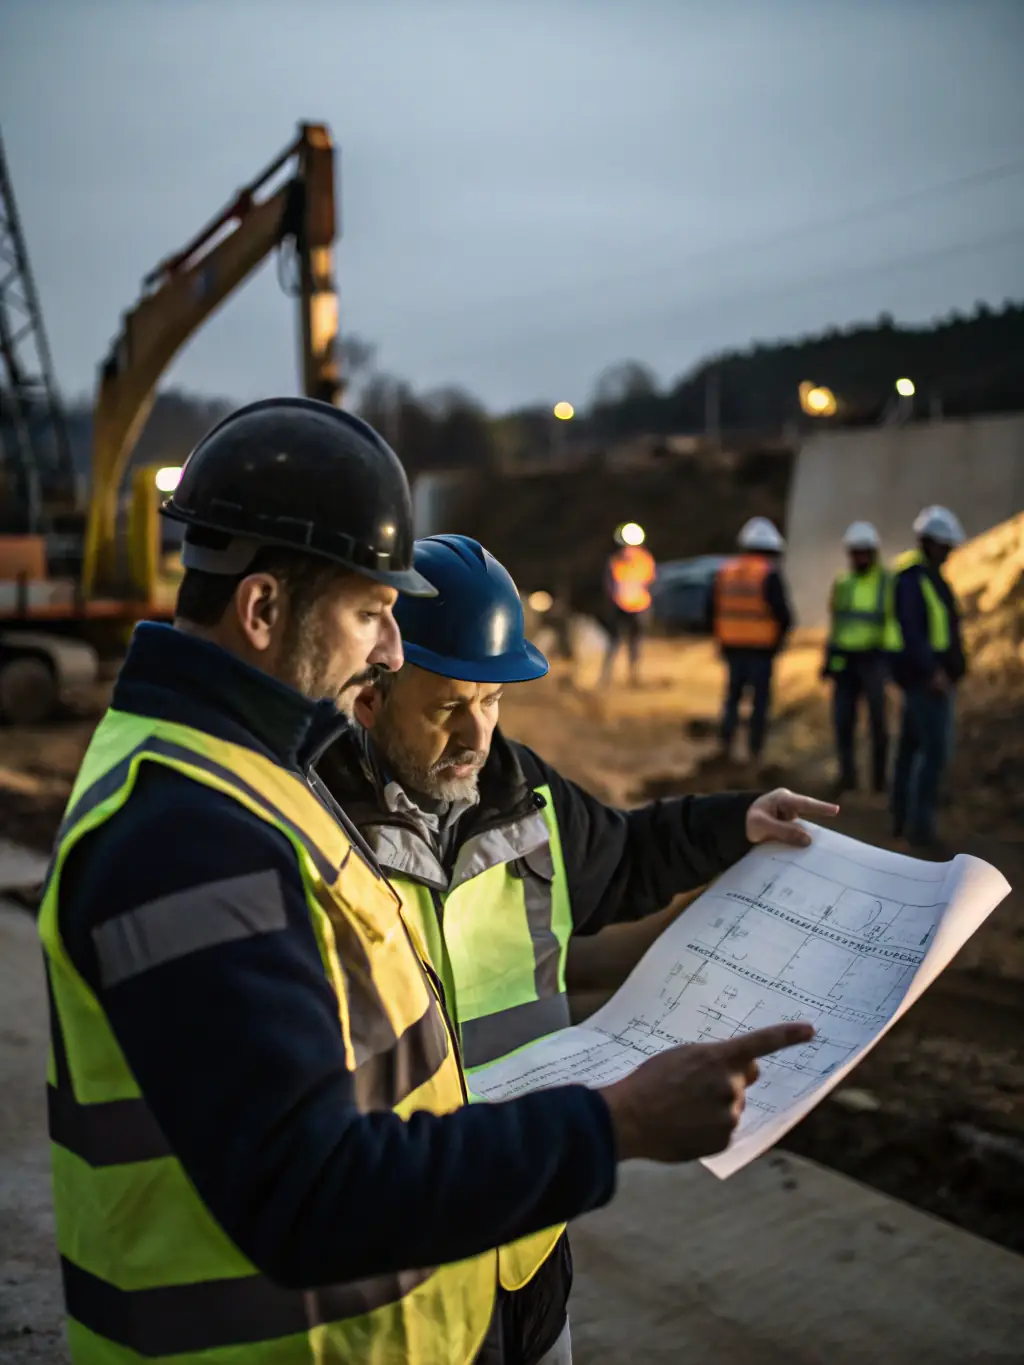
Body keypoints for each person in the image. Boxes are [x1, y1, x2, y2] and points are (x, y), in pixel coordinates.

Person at [38, 399, 815, 1365]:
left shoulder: (248, 785)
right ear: (264, 607)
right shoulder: (188, 831)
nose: (389, 650)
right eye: (370, 614)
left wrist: (728, 821)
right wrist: (620, 1120)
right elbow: (309, 1194)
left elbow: (623, 852)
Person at [315, 532, 838, 1364]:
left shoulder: (528, 798)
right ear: (371, 697)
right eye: (449, 705)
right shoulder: (312, 832)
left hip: (528, 1247)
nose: (477, 735)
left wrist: (732, 821)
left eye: (493, 703)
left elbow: (626, 856)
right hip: (396, 1269)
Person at [884, 504, 967, 852]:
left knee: (910, 749)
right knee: (932, 753)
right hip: (925, 681)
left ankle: (902, 821)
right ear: (930, 542)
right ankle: (918, 829)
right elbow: (912, 630)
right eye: (945, 546)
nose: (948, 553)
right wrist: (932, 671)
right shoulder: (913, 578)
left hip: (926, 677)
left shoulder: (927, 576)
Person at [714, 516, 793, 767]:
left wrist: (722, 638)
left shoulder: (726, 572)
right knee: (759, 702)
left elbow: (711, 609)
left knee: (732, 698)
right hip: (761, 649)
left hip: (732, 647)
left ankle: (725, 746)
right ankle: (754, 752)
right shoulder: (768, 574)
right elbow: (784, 613)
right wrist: (779, 641)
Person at [823, 521, 890, 794]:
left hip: (874, 659)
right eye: (855, 552)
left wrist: (891, 661)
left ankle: (879, 781)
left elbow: (892, 624)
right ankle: (847, 776)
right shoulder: (843, 583)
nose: (859, 557)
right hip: (847, 663)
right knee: (843, 722)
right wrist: (831, 660)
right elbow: (836, 626)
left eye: (863, 552)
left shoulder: (886, 583)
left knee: (878, 723)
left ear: (872, 553)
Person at [599, 523, 656, 687]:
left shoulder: (645, 560)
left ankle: (633, 676)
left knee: (636, 644)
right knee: (614, 642)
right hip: (620, 606)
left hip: (640, 607)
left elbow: (650, 582)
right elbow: (609, 585)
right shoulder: (615, 562)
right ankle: (606, 677)